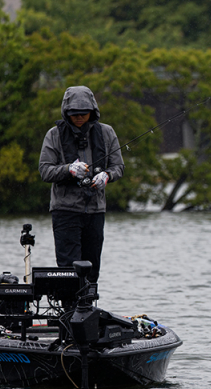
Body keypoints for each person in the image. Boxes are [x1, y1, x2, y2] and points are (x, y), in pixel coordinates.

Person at [39, 86, 124, 283]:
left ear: (92, 112)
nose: (79, 118)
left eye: (83, 114)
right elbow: (45, 170)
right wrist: (68, 169)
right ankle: (69, 311)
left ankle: (88, 309)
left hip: (95, 211)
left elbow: (118, 166)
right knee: (69, 269)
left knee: (92, 268)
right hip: (65, 211)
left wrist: (107, 176)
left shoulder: (107, 133)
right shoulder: (54, 135)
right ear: (66, 113)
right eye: (74, 114)